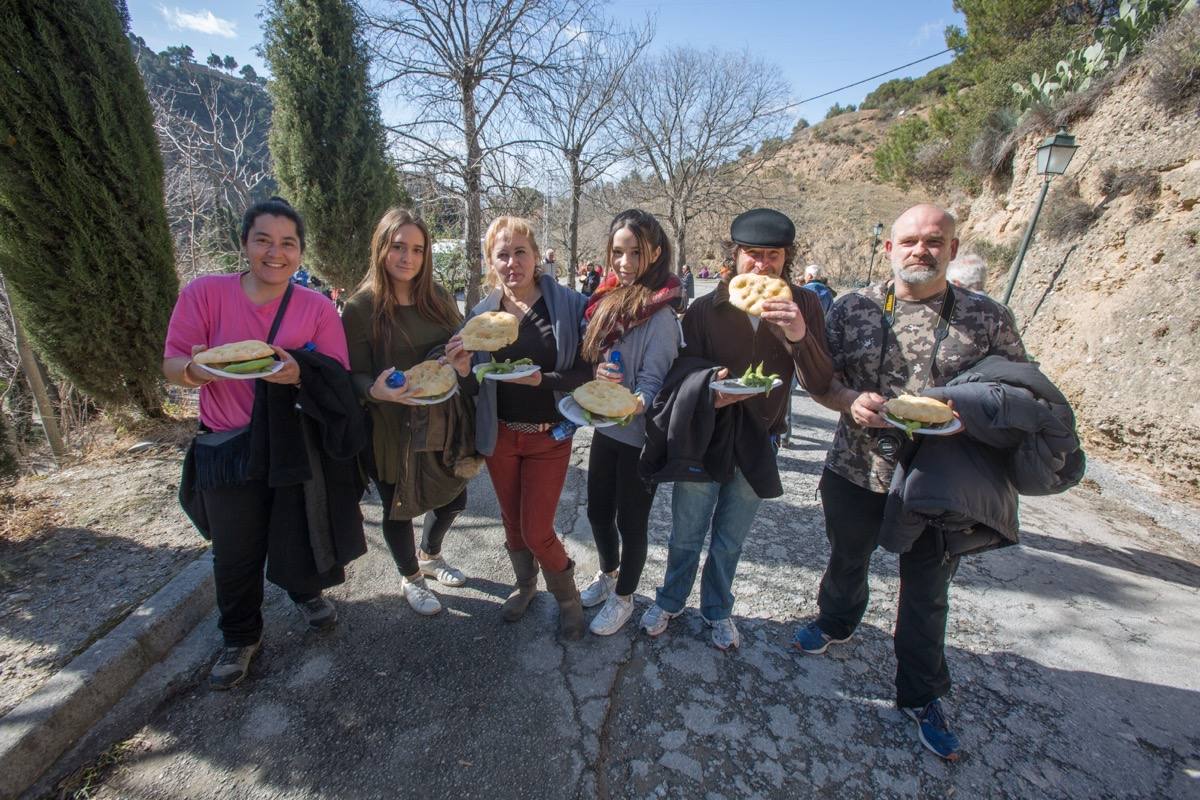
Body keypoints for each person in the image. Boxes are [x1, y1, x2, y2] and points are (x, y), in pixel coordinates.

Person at [797, 204, 1029, 762]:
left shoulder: (988, 318)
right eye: (909, 241)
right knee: (846, 559)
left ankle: (922, 694)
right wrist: (851, 402)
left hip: (940, 484)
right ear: (889, 249)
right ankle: (836, 621)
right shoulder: (852, 308)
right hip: (855, 468)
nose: (920, 250)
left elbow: (1017, 394)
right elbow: (820, 382)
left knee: (927, 591)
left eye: (933, 240)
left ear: (952, 247)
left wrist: (963, 414)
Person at [164, 197, 364, 690]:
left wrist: (299, 373)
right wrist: (196, 370)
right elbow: (171, 364)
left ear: (300, 252)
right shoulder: (205, 295)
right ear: (245, 244)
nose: (276, 253)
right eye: (264, 240)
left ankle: (305, 592)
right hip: (227, 448)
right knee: (235, 550)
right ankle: (239, 636)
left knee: (298, 528)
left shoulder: (316, 307)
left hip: (292, 442)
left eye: (288, 244)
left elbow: (335, 374)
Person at [638, 208, 833, 650]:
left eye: (773, 256)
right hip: (707, 432)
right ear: (735, 255)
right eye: (752, 254)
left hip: (761, 436)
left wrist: (800, 335)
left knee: (730, 538)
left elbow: (821, 380)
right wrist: (710, 386)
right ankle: (670, 599)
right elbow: (680, 371)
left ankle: (718, 610)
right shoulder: (707, 308)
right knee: (686, 530)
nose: (762, 265)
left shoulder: (804, 305)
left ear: (787, 260)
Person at [444, 216, 592, 639]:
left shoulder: (568, 305)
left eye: (520, 252)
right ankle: (525, 585)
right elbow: (474, 386)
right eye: (502, 254)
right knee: (511, 521)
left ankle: (567, 595)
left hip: (549, 435)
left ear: (535, 255)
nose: (512, 263)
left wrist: (542, 381)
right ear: (491, 261)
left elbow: (586, 372)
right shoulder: (480, 316)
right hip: (501, 435)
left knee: (537, 528)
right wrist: (462, 369)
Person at [342, 208, 478, 617]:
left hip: (441, 422)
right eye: (398, 247)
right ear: (381, 248)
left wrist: (463, 362)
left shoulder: (436, 298)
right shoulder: (360, 308)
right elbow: (352, 374)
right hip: (389, 426)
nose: (408, 257)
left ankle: (430, 556)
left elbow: (459, 351)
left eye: (417, 249)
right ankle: (410, 576)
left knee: (454, 499)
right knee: (397, 507)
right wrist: (373, 389)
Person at [578, 210, 682, 636]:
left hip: (640, 438)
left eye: (634, 252)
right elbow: (597, 360)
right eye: (617, 252)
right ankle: (609, 574)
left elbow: (655, 382)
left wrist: (639, 400)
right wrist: (600, 375)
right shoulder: (608, 302)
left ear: (655, 253)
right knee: (599, 513)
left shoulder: (660, 316)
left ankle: (625, 598)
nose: (623, 262)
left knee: (631, 523)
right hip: (607, 429)